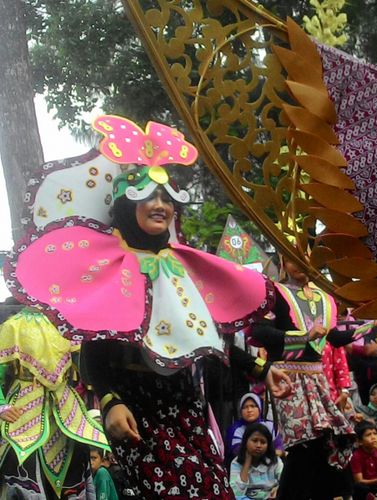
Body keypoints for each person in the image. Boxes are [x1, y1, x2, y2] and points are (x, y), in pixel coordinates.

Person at [5, 115, 292, 499]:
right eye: (147, 196)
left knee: (213, 489)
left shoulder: (180, 264)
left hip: (186, 404)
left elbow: (204, 337)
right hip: (135, 406)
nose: (160, 205)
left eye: (166, 199)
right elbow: (94, 346)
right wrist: (110, 402)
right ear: (127, 204)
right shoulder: (110, 263)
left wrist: (261, 368)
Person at [251, 256, 357, 499]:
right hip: (286, 376)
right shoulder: (274, 292)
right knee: (302, 445)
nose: (301, 266)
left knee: (324, 442)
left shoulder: (324, 296)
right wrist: (302, 336)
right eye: (294, 260)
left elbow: (335, 338)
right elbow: (260, 331)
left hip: (317, 378)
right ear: (283, 262)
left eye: (307, 260)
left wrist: (370, 325)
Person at [0, 306, 109, 499]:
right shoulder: (12, 326)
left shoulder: (71, 323)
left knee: (74, 473)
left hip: (66, 412)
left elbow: (89, 368)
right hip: (22, 415)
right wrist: (1, 406)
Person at [229, 423, 283, 500]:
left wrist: (278, 489)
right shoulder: (236, 463)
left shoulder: (275, 461)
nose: (258, 445)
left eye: (263, 442)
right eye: (254, 441)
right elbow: (236, 493)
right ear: (246, 441)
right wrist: (247, 462)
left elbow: (286, 483)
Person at [225, 393, 282, 466]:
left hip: (270, 467)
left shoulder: (269, 426)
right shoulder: (235, 429)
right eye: (245, 407)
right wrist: (269, 453)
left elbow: (279, 448)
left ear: (259, 408)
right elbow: (238, 453)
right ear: (241, 411)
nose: (249, 410)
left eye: (253, 406)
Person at [351, 421, 377, 500]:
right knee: (359, 487)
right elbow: (359, 480)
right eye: (368, 435)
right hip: (366, 486)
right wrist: (376, 480)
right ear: (360, 441)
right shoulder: (356, 456)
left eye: (375, 433)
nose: (373, 437)